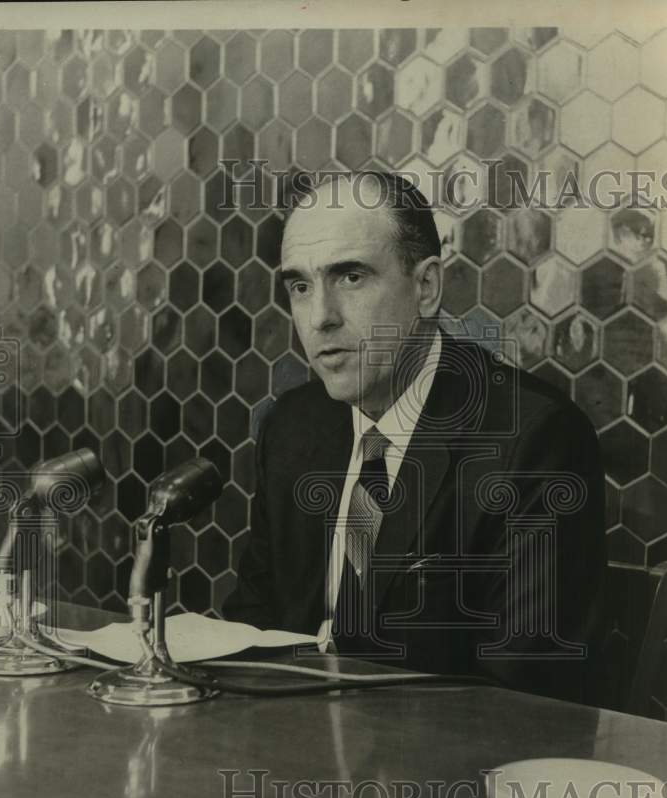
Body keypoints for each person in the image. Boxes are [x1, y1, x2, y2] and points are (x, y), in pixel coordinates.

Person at [223, 171, 607, 705]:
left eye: (351, 277)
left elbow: (525, 700)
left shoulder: (534, 441)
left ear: (425, 286)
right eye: (300, 286)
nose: (319, 318)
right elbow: (253, 629)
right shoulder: (292, 426)